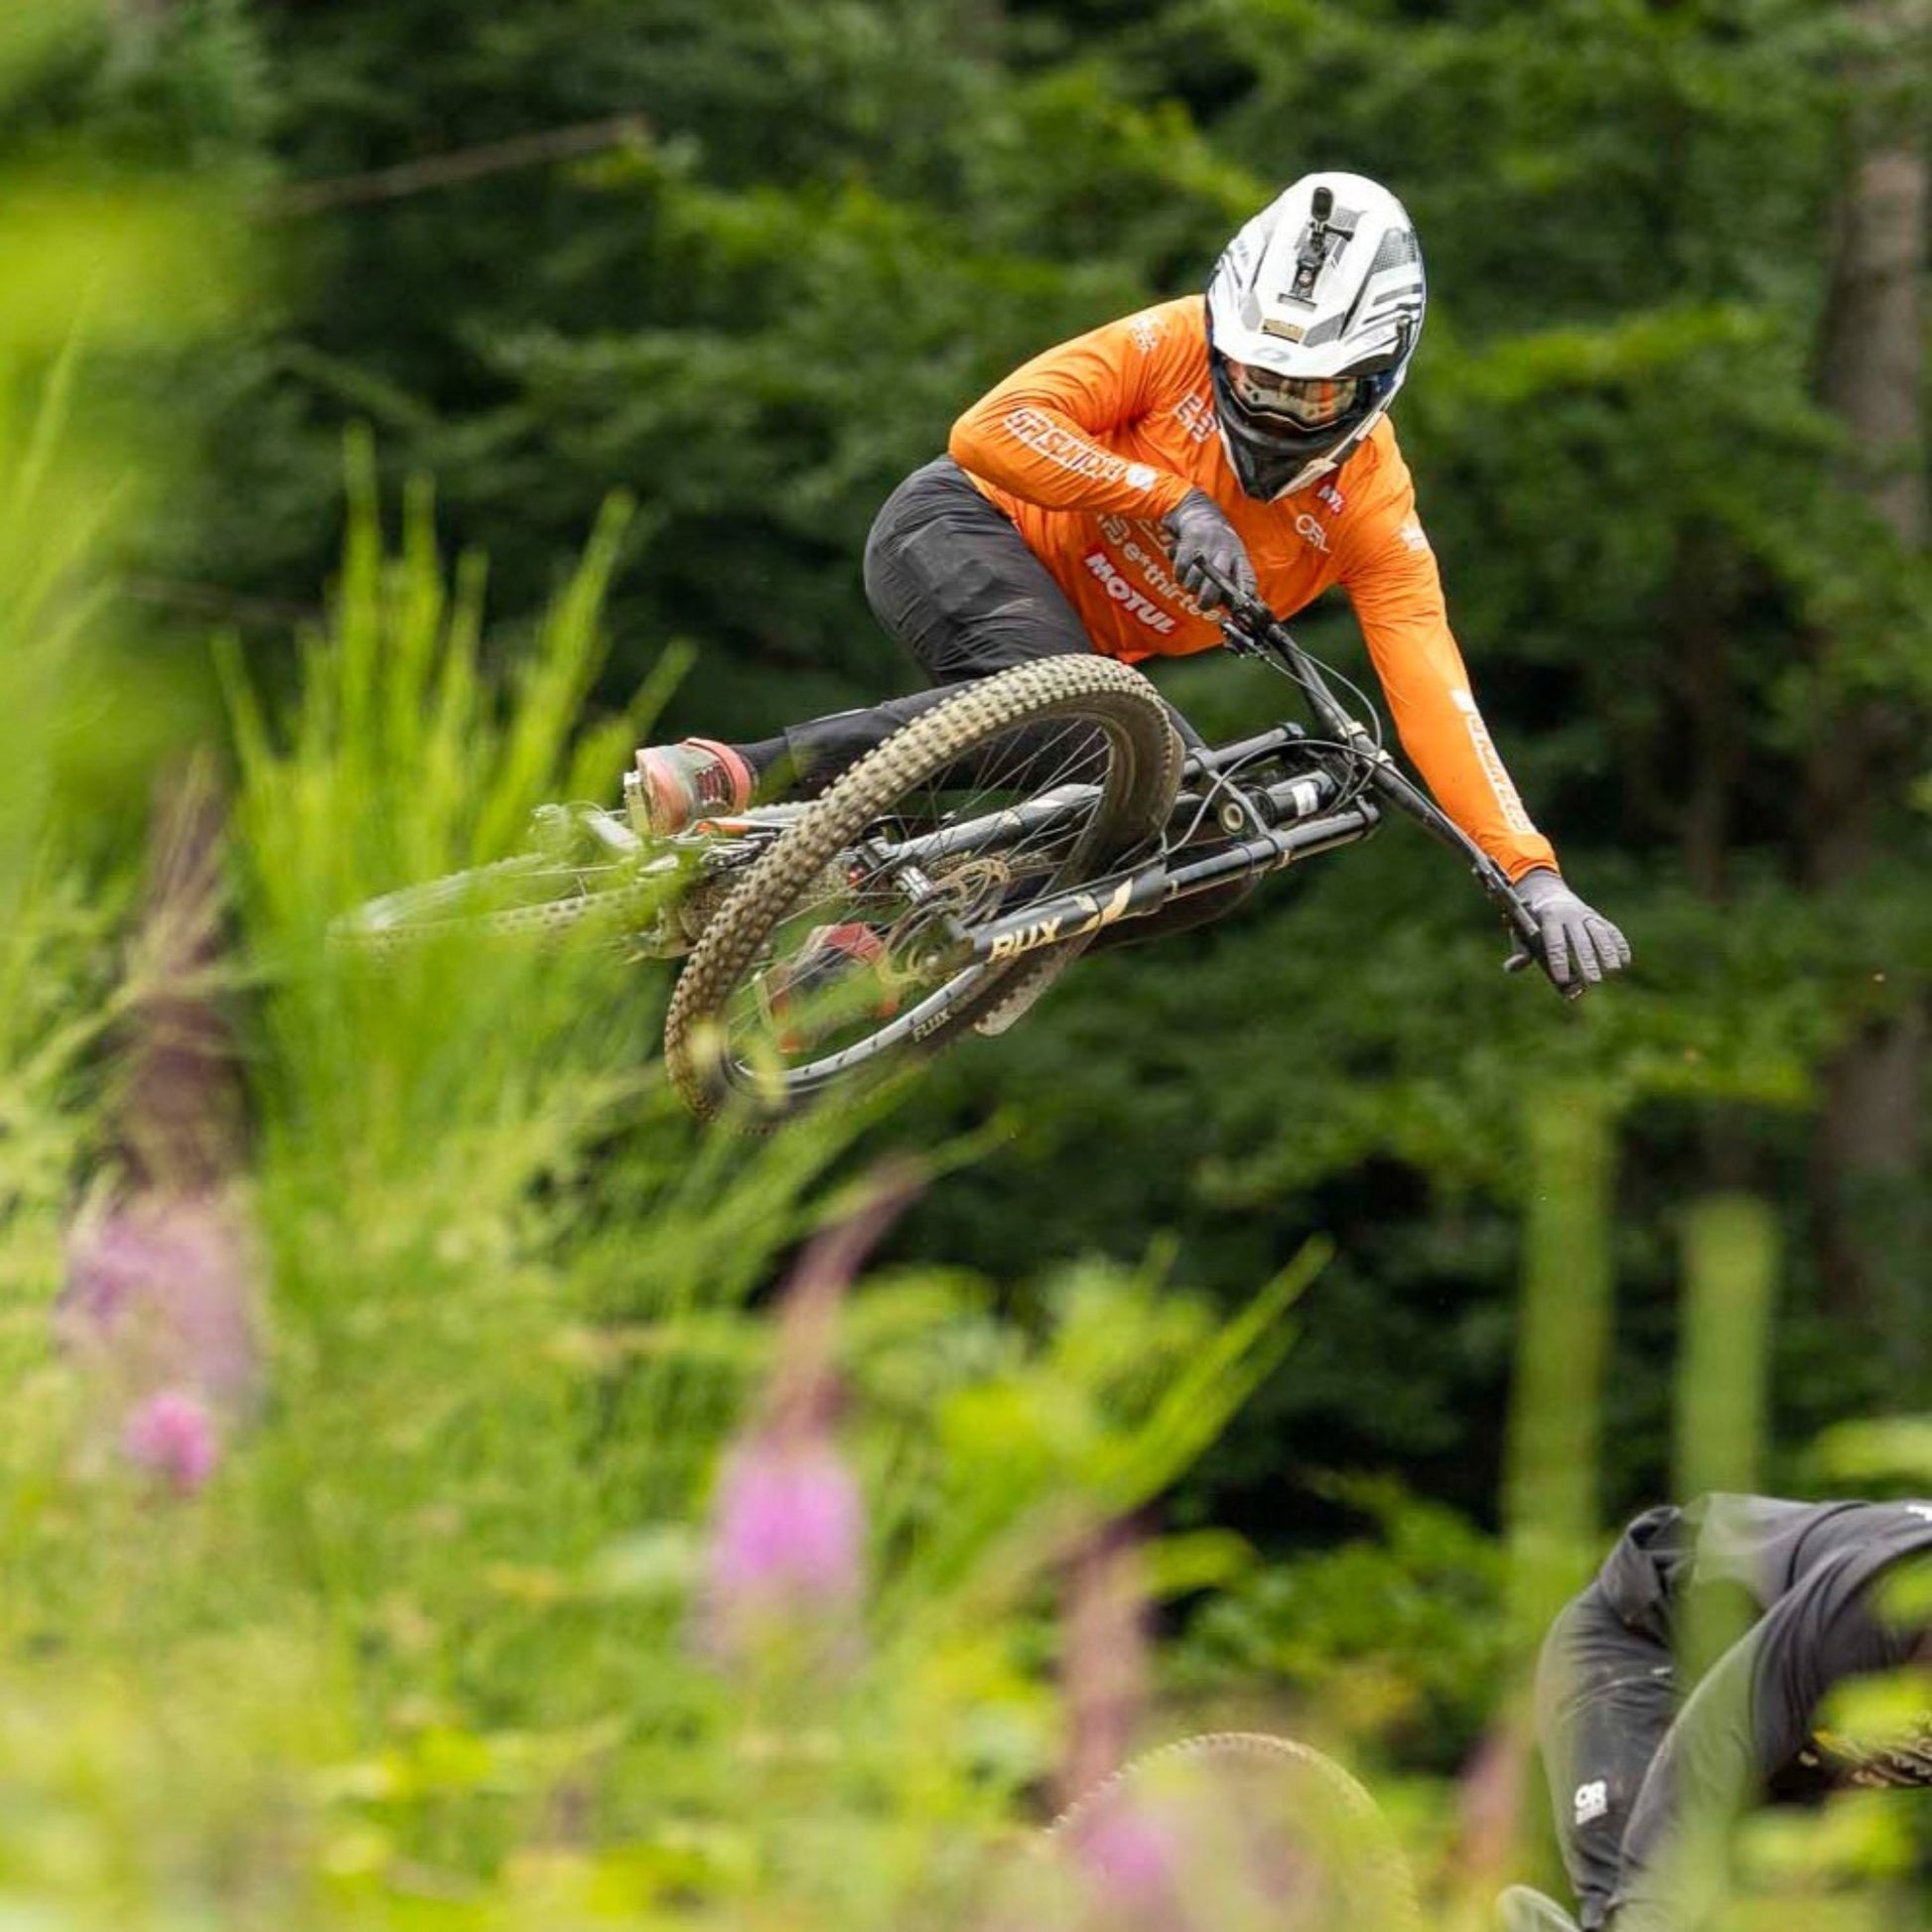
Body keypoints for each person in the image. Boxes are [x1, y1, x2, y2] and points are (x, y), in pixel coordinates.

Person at [632, 171, 1630, 988]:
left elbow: (1434, 694)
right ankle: (732, 768)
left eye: (1311, 390)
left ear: (1377, 378)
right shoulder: (1165, 341)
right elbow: (988, 430)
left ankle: (879, 946)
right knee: (1080, 712)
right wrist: (1169, 501)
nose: (1276, 410)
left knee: (1212, 849)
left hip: (1074, 660)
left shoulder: (1371, 508)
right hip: (957, 530)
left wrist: (1527, 871)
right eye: (1251, 375)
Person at [1503, 1493, 1932, 1932]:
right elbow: (1719, 1731)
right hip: (1653, 1645)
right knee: (1651, 1904)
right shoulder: (1886, 1598)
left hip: (1790, 1743)